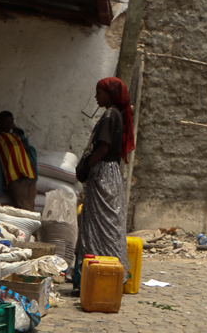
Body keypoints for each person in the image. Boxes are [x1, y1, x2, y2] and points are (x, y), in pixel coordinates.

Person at [75, 77, 135, 286]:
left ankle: (98, 275)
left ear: (110, 94)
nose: (96, 97)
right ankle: (109, 273)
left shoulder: (110, 115)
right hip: (111, 172)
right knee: (107, 223)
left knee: (99, 223)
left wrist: (87, 165)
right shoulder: (116, 114)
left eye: (99, 93)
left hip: (103, 173)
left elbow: (102, 147)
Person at [0, 111, 38, 211]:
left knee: (31, 209)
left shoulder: (17, 136)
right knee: (23, 209)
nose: (9, 125)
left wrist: (16, 128)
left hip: (30, 175)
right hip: (14, 178)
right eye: (6, 122)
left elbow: (27, 145)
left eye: (11, 122)